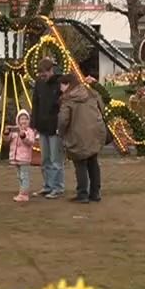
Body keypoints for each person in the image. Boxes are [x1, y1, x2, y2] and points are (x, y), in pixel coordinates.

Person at [57, 73, 107, 204]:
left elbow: (63, 120)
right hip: (95, 132)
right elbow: (102, 107)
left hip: (78, 134)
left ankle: (82, 193)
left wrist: (60, 133)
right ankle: (95, 193)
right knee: (93, 162)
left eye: (61, 85)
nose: (60, 88)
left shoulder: (68, 99)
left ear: (67, 84)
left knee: (80, 163)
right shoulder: (91, 93)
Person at [31, 58, 65, 199]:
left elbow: (63, 106)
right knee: (45, 159)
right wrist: (34, 124)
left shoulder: (59, 84)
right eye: (40, 75)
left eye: (44, 74)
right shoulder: (39, 83)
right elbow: (36, 103)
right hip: (42, 127)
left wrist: (61, 125)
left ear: (51, 70)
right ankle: (47, 185)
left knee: (55, 159)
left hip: (55, 127)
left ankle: (58, 187)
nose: (42, 77)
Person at [8, 109, 37, 203]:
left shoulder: (30, 131)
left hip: (24, 158)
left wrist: (23, 136)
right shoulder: (14, 131)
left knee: (24, 175)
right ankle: (22, 191)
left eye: (26, 119)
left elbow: (30, 142)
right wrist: (6, 132)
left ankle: (24, 194)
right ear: (18, 120)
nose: (24, 121)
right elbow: (7, 140)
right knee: (19, 176)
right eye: (21, 119)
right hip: (16, 158)